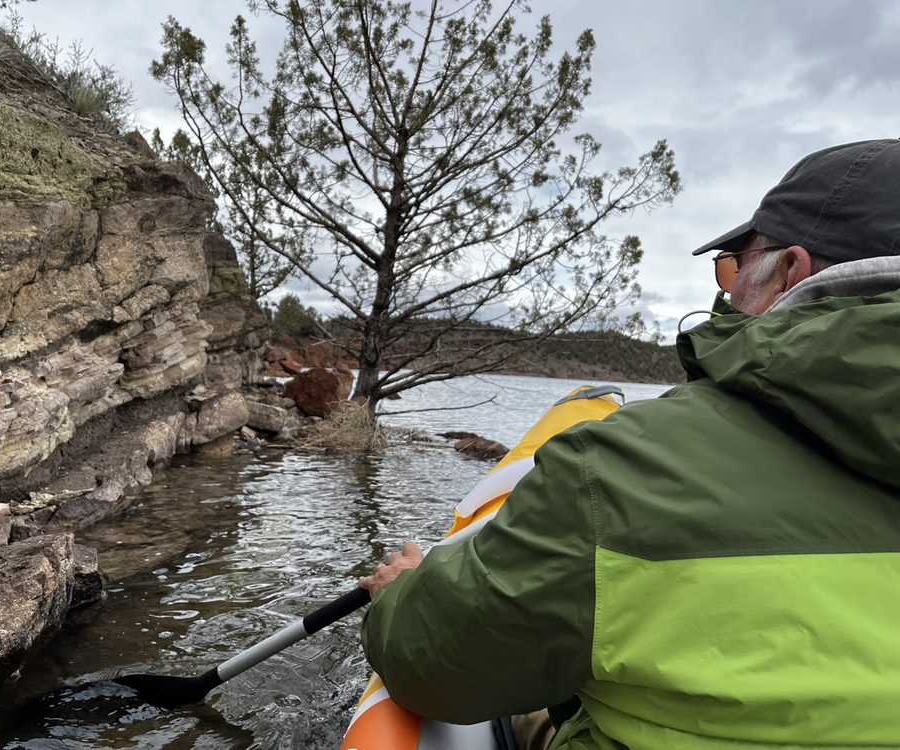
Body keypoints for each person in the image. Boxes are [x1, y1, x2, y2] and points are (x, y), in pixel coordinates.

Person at [357, 138, 900, 749]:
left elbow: (433, 664)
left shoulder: (616, 473)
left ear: (790, 272)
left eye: (732, 266)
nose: (726, 290)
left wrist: (400, 594)